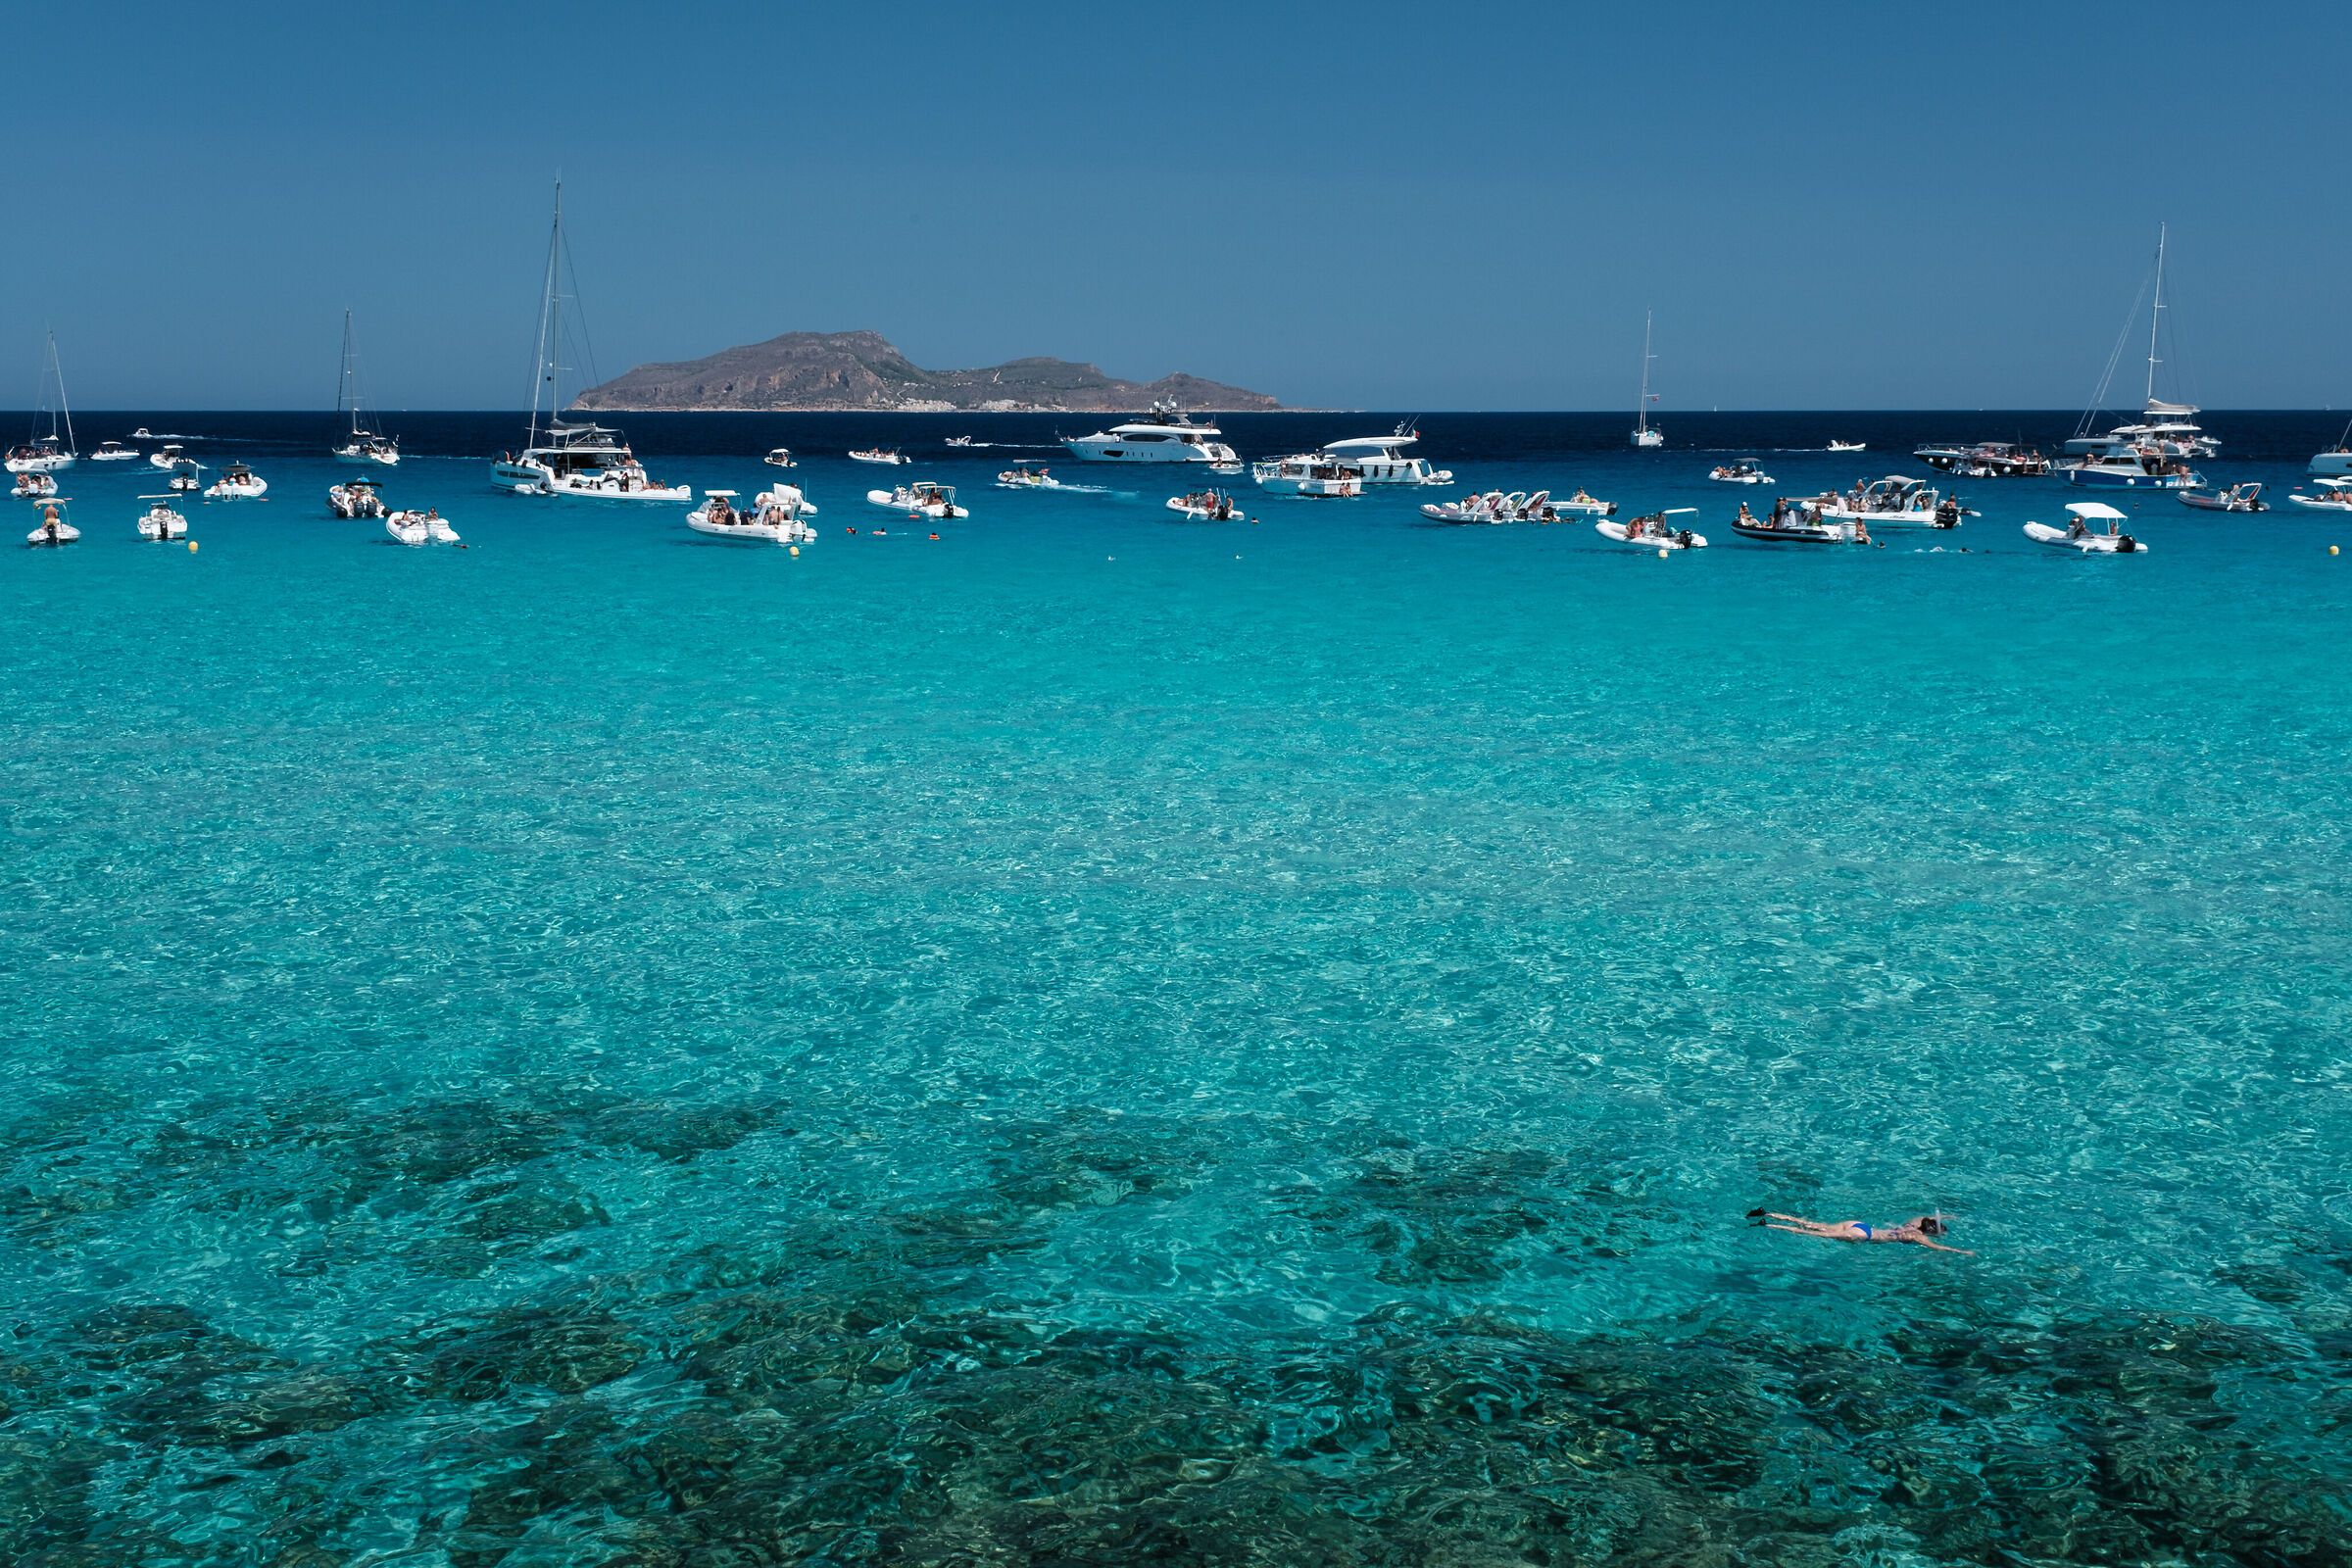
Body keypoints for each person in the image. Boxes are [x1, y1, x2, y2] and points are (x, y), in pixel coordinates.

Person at [1750, 1209, 1972, 1253]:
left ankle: (1769, 1213)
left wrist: (1947, 1217)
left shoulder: (1913, 1225)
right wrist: (1961, 1252)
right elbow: (1937, 1247)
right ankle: (1770, 1225)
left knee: (1810, 1224)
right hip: (1863, 1236)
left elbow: (1928, 1217)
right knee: (1813, 1234)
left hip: (1859, 1225)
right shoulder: (1917, 1236)